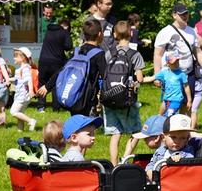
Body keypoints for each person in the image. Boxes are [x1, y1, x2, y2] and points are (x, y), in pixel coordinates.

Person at [37, 19, 107, 116]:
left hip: (74, 95)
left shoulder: (77, 51)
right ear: (100, 34)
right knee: (88, 126)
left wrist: (47, 86)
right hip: (88, 99)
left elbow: (62, 70)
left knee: (76, 123)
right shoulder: (99, 54)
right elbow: (105, 76)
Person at [153, 3, 202, 112]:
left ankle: (180, 125)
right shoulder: (165, 32)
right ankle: (161, 123)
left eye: (186, 13)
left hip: (188, 73)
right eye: (182, 14)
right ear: (174, 15)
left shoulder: (191, 31)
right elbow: (158, 55)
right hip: (170, 74)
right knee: (168, 101)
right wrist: (157, 76)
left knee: (186, 102)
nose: (185, 16)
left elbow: (198, 53)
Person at [102, 21, 145, 165]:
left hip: (109, 97)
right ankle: (125, 159)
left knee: (115, 134)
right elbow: (139, 79)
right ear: (131, 34)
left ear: (114, 35)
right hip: (127, 99)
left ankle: (113, 166)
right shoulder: (135, 54)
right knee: (137, 132)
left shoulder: (109, 53)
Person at [37, 18, 73, 112]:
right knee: (56, 84)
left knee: (42, 82)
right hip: (56, 62)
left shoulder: (49, 31)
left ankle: (41, 107)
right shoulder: (64, 33)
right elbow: (69, 46)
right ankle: (56, 108)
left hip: (43, 60)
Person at [145, 114, 195, 180]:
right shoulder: (160, 150)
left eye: (183, 138)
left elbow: (191, 162)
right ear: (163, 137)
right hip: (158, 181)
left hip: (175, 183)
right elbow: (152, 163)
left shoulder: (187, 151)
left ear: (187, 139)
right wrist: (149, 171)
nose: (177, 141)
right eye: (173, 137)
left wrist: (182, 160)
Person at [154, 52, 191, 117]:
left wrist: (189, 100)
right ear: (168, 64)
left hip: (176, 99)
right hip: (166, 99)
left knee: (169, 115)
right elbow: (153, 78)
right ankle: (162, 126)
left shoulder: (181, 74)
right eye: (174, 63)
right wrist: (141, 80)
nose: (176, 64)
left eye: (177, 62)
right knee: (160, 116)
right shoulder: (164, 73)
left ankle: (168, 126)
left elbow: (186, 87)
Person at [9, 47, 37, 131]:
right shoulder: (20, 69)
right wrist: (8, 79)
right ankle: (20, 130)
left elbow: (29, 79)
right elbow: (17, 80)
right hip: (21, 94)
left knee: (13, 112)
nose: (14, 58)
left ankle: (31, 121)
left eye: (16, 56)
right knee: (20, 113)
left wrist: (31, 90)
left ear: (23, 58)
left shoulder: (25, 68)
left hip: (23, 95)